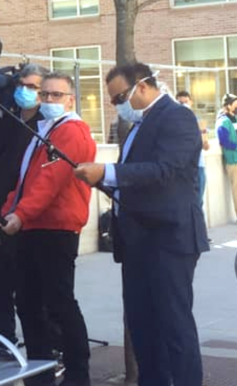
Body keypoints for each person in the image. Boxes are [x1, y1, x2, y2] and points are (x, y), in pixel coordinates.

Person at [75, 63, 209, 386]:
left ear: (144, 86)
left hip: (169, 240)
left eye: (120, 96)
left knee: (174, 327)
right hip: (137, 242)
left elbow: (164, 170)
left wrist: (107, 172)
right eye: (112, 100)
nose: (117, 105)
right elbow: (136, 180)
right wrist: (103, 181)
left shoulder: (177, 117)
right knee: (143, 327)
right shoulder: (137, 125)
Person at [0, 73, 96, 386]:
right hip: (35, 225)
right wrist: (10, 210)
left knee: (59, 302)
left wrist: (19, 214)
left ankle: (78, 375)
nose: (50, 100)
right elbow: (27, 180)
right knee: (28, 302)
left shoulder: (71, 131)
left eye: (58, 95)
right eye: (47, 95)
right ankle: (40, 373)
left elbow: (49, 182)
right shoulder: (46, 130)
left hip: (55, 228)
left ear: (71, 99)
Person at [0, 63, 47, 360]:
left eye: (33, 87)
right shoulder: (7, 117)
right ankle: (3, 342)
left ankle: (44, 344)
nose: (26, 92)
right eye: (23, 86)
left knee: (29, 286)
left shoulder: (45, 125)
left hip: (25, 216)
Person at [176, 91, 210, 207]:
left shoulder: (198, 122)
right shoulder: (173, 123)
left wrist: (204, 136)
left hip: (198, 166)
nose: (184, 105)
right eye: (180, 103)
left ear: (191, 102)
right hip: (181, 167)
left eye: (186, 102)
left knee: (198, 200)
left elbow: (206, 147)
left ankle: (198, 224)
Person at [217, 94, 237, 220]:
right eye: (235, 103)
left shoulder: (234, 118)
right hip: (233, 160)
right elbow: (224, 141)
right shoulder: (223, 121)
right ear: (228, 105)